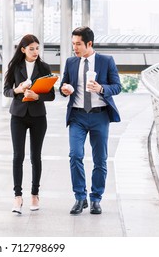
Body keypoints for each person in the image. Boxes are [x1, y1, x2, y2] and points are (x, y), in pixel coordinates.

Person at [59, 26, 121, 215]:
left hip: (99, 116)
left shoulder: (106, 61)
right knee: (75, 155)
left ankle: (95, 199)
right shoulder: (70, 62)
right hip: (77, 115)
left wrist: (101, 88)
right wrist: (65, 89)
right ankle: (79, 197)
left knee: (99, 160)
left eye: (78, 44)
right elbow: (64, 84)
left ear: (89, 44)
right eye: (73, 44)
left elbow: (117, 86)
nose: (75, 48)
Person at [3, 34, 55, 214]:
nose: (35, 52)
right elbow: (6, 91)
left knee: (35, 157)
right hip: (18, 115)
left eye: (37, 48)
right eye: (31, 48)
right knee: (18, 156)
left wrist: (37, 96)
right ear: (23, 50)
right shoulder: (15, 66)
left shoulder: (44, 67)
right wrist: (18, 90)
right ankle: (17, 197)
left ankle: (35, 194)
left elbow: (52, 95)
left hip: (38, 116)